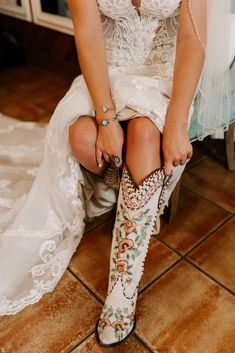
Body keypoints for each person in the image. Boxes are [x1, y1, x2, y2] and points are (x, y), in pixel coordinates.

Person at [0, 0, 231, 349]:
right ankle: (129, 193)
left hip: (165, 74)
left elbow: (190, 38)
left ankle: (123, 288)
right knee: (82, 138)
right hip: (109, 72)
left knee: (144, 134)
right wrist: (106, 120)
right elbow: (89, 33)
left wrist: (176, 122)